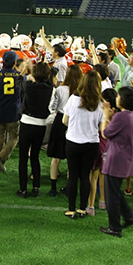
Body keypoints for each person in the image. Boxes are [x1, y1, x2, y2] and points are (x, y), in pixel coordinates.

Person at [99, 86, 133, 237]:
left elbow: (105, 133)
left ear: (123, 100)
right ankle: (129, 216)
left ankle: (114, 227)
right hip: (127, 158)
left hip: (115, 159)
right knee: (116, 191)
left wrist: (105, 116)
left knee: (111, 195)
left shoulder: (121, 117)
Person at [63, 70, 103, 219]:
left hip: (73, 141)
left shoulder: (73, 99)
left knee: (73, 175)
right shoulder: (100, 103)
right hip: (91, 143)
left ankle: (71, 209)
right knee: (85, 175)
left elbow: (64, 121)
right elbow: (101, 126)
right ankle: (82, 208)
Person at [17, 62, 53, 198]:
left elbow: (18, 82)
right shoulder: (49, 87)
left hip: (27, 123)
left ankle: (23, 189)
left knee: (23, 157)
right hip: (41, 125)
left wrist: (25, 71)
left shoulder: (29, 86)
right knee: (35, 156)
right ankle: (36, 186)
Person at [47, 65, 82, 196]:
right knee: (72, 159)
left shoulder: (60, 89)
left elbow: (52, 107)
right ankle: (69, 186)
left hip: (60, 121)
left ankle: (53, 188)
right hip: (75, 122)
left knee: (56, 157)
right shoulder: (81, 90)